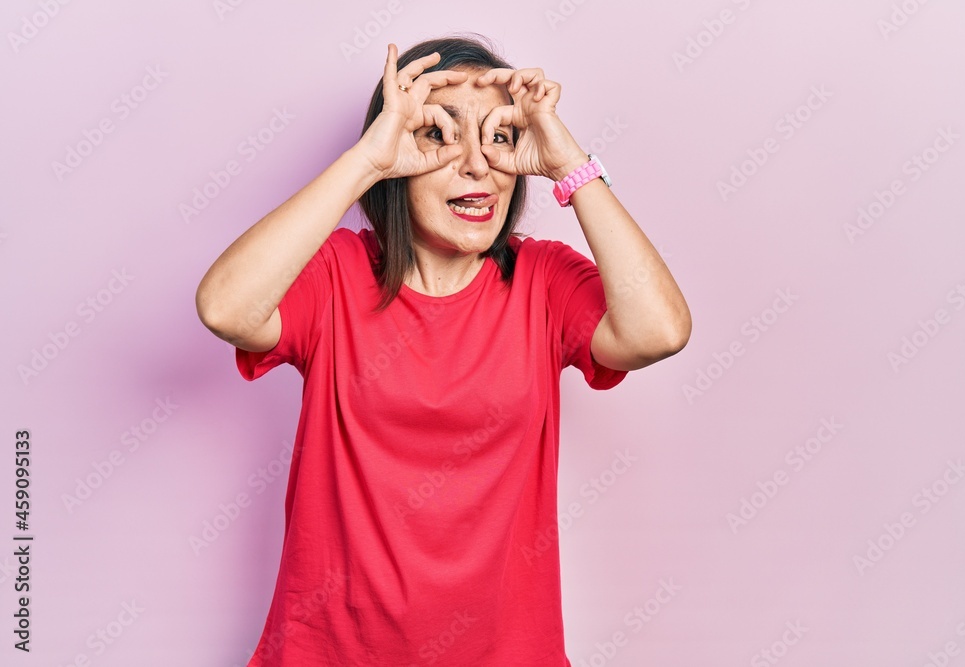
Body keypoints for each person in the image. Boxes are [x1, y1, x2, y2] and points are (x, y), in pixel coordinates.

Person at [195, 32, 691, 667]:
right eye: (439, 134)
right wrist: (367, 161)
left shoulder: (542, 281)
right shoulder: (336, 274)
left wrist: (569, 162)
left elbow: (659, 332)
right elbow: (226, 308)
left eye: (500, 137)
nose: (477, 165)